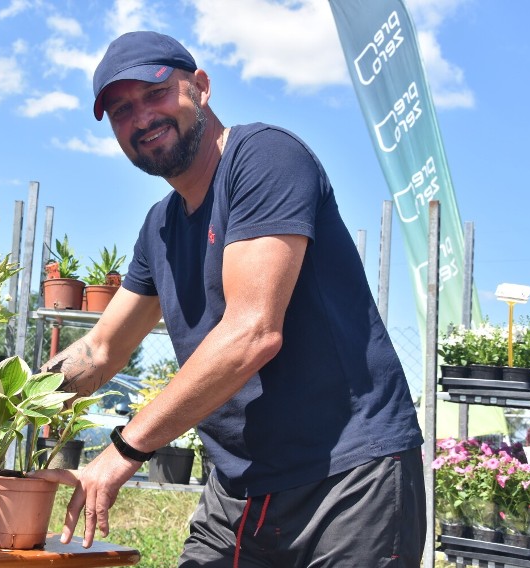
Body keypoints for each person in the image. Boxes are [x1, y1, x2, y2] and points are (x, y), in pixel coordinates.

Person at [32, 30, 426, 567]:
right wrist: (1, 404)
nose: (142, 118)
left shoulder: (265, 158)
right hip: (240, 489)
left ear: (201, 86)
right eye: (122, 110)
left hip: (346, 480)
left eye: (155, 93)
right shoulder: (161, 228)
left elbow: (252, 333)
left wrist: (123, 450)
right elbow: (100, 352)